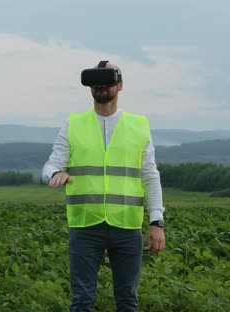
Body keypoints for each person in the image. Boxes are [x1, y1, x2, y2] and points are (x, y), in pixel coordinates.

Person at [42, 61, 166, 312]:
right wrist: (55, 174)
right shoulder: (73, 124)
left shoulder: (139, 125)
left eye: (108, 80)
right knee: (82, 299)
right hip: (85, 226)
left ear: (120, 85)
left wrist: (156, 221)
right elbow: (50, 164)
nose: (101, 87)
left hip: (127, 226)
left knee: (127, 299)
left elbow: (150, 175)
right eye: (95, 81)